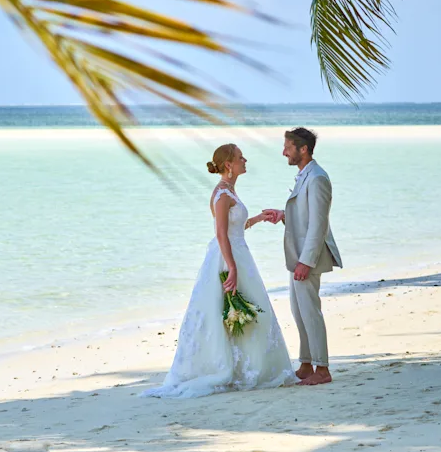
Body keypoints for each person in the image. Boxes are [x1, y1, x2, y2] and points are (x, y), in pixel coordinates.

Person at [141, 143, 296, 398]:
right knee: (228, 312)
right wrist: (232, 267)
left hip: (238, 254)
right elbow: (221, 233)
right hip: (228, 258)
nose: (245, 160)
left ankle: (249, 366)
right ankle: (231, 369)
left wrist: (257, 219)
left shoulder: (230, 191)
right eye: (240, 158)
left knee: (246, 312)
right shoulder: (222, 194)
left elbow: (235, 227)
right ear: (228, 165)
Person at [263, 128, 342, 386]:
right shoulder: (304, 175)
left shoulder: (318, 178)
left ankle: (323, 368)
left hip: (309, 258)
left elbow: (318, 225)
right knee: (299, 312)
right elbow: (305, 216)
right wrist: (283, 214)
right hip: (298, 256)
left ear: (303, 149)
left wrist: (306, 262)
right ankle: (306, 364)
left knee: (311, 313)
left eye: (288, 147)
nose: (284, 151)